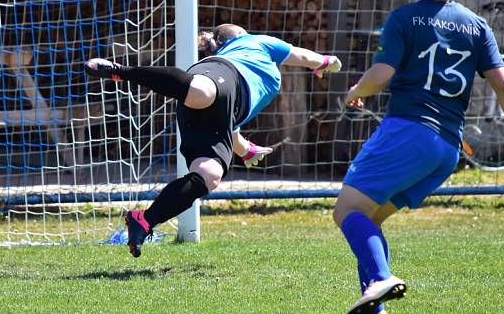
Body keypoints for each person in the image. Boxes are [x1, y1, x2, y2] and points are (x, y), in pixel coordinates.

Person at [334, 0, 504, 314]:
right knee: (370, 219)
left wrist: (355, 91)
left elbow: (382, 72)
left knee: (347, 211)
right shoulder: (477, 26)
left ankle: (381, 281)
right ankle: (372, 313)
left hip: (408, 131)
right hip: (446, 149)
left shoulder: (405, 19)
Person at [84, 23, 342, 257]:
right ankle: (123, 72)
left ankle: (144, 220)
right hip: (217, 77)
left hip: (213, 111)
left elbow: (231, 125)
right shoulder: (255, 41)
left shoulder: (250, 67)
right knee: (203, 91)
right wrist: (327, 61)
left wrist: (246, 150)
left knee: (209, 175)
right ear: (236, 37)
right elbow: (304, 56)